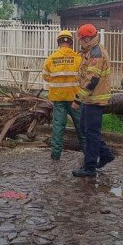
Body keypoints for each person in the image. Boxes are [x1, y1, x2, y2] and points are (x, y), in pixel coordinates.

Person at [71, 23, 115, 178]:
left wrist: (77, 99)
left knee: (91, 133)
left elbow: (92, 80)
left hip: (94, 99)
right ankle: (105, 154)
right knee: (86, 129)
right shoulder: (92, 51)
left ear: (88, 38)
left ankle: (89, 167)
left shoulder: (96, 54)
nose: (80, 42)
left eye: (81, 39)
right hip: (91, 99)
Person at [42, 30, 86, 160]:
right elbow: (84, 76)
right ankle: (87, 154)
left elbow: (46, 77)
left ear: (59, 42)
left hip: (58, 98)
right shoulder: (78, 58)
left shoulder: (51, 59)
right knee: (81, 127)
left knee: (58, 127)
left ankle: (56, 155)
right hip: (75, 99)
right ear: (71, 42)